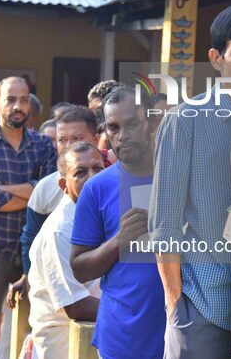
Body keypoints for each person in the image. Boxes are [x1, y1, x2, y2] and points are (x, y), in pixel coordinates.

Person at [148, 4, 231, 358]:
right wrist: (176, 308)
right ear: (216, 59)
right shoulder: (184, 121)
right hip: (204, 303)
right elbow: (165, 227)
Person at [70, 87, 165, 359]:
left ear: (152, 121)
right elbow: (79, 268)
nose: (122, 136)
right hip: (123, 338)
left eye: (132, 124)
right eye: (113, 127)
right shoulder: (96, 188)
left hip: (180, 333)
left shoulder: (184, 176)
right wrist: (118, 242)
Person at [0, 76, 56, 359]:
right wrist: (30, 190)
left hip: (33, 253)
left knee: (29, 334)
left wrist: (12, 190)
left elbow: (49, 195)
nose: (18, 106)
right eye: (11, 99)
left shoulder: (43, 145)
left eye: (24, 99)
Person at [14, 142, 104, 358]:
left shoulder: (101, 214)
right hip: (63, 348)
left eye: (98, 169)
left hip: (95, 339)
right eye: (81, 172)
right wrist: (136, 309)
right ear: (64, 184)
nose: (92, 177)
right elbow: (76, 306)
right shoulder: (60, 231)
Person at [9, 106, 104, 300]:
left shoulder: (112, 183)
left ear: (95, 139)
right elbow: (30, 238)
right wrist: (29, 277)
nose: (68, 145)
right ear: (64, 185)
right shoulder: (57, 222)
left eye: (77, 139)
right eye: (62, 140)